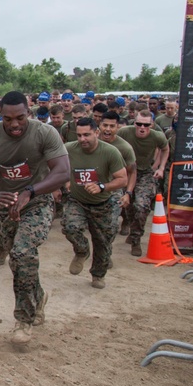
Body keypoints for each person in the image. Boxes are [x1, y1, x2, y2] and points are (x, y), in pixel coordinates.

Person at [0, 91, 70, 345]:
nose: (14, 124)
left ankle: (23, 319)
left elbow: (63, 171)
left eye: (20, 118)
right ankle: (38, 296)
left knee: (23, 253)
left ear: (29, 113)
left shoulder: (45, 133)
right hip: (5, 203)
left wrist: (31, 191)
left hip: (38, 200)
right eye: (8, 119)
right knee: (17, 259)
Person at [62, 118, 128, 289]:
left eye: (87, 135)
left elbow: (122, 179)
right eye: (79, 135)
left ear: (96, 133)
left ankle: (98, 274)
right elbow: (55, 168)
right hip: (77, 200)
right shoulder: (69, 149)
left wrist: (102, 186)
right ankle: (82, 251)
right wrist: (62, 183)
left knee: (103, 242)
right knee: (70, 227)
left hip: (103, 203)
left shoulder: (110, 152)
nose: (83, 139)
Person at [118, 111, 169, 257]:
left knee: (141, 206)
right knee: (127, 205)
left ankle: (136, 239)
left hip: (146, 173)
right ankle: (129, 224)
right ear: (134, 123)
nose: (142, 127)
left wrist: (161, 168)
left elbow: (165, 149)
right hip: (126, 172)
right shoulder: (124, 132)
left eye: (146, 125)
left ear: (151, 125)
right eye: (139, 124)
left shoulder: (157, 136)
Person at [98, 111, 137, 236]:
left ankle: (125, 221)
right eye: (105, 125)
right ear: (99, 125)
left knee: (110, 226)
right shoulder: (90, 141)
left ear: (117, 127)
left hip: (115, 189)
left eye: (112, 126)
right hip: (94, 186)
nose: (107, 129)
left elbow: (132, 172)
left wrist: (128, 193)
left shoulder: (125, 148)